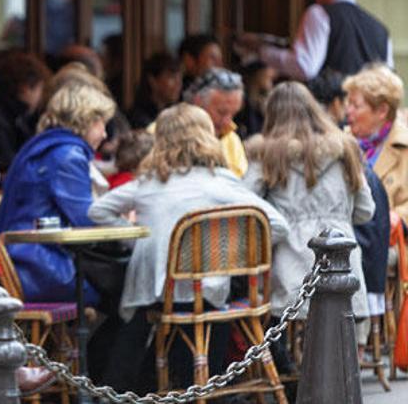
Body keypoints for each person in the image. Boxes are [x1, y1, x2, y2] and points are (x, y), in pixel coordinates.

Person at [87, 103, 288, 392]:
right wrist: (231, 253)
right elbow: (277, 225)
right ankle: (208, 388)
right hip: (211, 290)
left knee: (136, 324)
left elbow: (98, 211)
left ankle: (129, 389)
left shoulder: (149, 183)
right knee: (213, 312)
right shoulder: (221, 183)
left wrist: (142, 239)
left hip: (159, 292)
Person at [242, 82, 373, 321]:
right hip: (343, 263)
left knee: (287, 332)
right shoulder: (345, 151)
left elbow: (244, 205)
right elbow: (366, 210)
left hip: (290, 263)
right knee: (339, 337)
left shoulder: (267, 155)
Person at [0, 82, 116, 306]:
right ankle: (97, 343)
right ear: (86, 120)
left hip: (22, 263)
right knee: (127, 287)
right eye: (102, 123)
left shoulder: (44, 145)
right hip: (46, 270)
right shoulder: (68, 155)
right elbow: (87, 219)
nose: (104, 133)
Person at [238, 0, 392, 80]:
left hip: (330, 112)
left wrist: (261, 51)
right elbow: (388, 78)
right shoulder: (381, 29)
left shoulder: (319, 13)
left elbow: (305, 66)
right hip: (369, 117)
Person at [342, 64, 408, 224]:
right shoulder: (340, 142)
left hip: (388, 244)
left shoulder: (404, 147)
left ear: (382, 111)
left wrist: (398, 218)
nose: (347, 111)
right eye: (348, 103)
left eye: (355, 105)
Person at [0, 50, 51, 172]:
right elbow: (7, 161)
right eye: (40, 89)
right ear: (25, 88)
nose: (40, 97)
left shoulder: (14, 114)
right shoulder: (1, 117)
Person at [183, 67, 248, 177]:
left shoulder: (232, 140)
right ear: (198, 102)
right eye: (222, 112)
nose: (228, 122)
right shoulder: (165, 134)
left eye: (233, 114)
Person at [126, 51, 182, 129]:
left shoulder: (175, 113)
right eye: (172, 77)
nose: (178, 84)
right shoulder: (138, 118)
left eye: (180, 78)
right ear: (153, 81)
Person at [235, 61, 277, 138]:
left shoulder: (265, 100)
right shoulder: (243, 100)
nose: (271, 83)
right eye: (267, 77)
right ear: (258, 76)